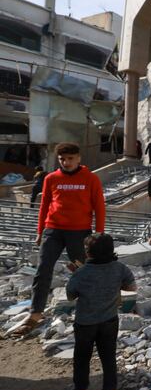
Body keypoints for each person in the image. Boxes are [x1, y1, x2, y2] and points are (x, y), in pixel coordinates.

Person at [10, 143, 105, 337]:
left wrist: (99, 233)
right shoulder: (51, 178)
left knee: (82, 270)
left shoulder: (91, 178)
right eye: (62, 159)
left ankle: (92, 309)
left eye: (70, 158)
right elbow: (44, 205)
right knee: (43, 269)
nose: (66, 162)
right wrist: (40, 231)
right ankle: (35, 314)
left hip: (79, 233)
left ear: (78, 158)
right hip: (53, 231)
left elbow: (99, 206)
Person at [65, 233, 135, 390]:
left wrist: (75, 273)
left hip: (85, 322)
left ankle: (80, 389)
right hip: (110, 319)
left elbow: (70, 296)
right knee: (108, 356)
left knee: (82, 356)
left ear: (88, 253)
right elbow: (131, 286)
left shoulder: (81, 272)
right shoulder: (120, 268)